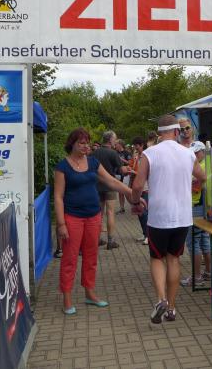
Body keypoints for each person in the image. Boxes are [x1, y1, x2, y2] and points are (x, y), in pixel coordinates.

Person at [54, 128, 141, 315]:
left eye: (87, 142)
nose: (85, 146)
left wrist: (132, 194)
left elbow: (112, 181)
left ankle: (90, 293)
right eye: (81, 143)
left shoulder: (93, 162)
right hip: (72, 217)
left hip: (94, 215)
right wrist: (61, 224)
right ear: (72, 144)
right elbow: (58, 197)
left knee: (91, 256)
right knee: (69, 258)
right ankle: (67, 298)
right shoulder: (63, 167)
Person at [130, 115, 206, 324]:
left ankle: (161, 299)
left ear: (159, 133)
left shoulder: (150, 153)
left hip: (159, 218)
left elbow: (137, 185)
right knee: (173, 259)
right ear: (176, 132)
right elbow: (202, 176)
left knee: (157, 258)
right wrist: (189, 182)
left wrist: (135, 202)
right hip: (182, 218)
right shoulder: (188, 153)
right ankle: (171, 309)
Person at [92, 131, 130, 249]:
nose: (116, 141)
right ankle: (110, 241)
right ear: (110, 140)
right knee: (110, 212)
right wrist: (127, 169)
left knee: (98, 214)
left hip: (96, 186)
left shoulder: (94, 153)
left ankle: (96, 239)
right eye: (115, 139)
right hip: (110, 186)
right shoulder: (113, 153)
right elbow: (121, 170)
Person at [181, 141, 211, 287]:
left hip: (195, 207)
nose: (193, 155)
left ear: (203, 152)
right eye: (192, 152)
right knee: (204, 240)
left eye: (196, 152)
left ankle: (197, 277)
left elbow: (194, 188)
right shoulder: (206, 164)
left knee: (193, 242)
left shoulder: (200, 167)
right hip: (203, 207)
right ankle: (208, 273)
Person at [129, 136, 149, 244]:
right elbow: (133, 167)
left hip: (145, 188)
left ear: (142, 145)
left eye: (137, 145)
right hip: (136, 188)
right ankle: (144, 233)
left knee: (144, 212)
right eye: (135, 145)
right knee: (139, 212)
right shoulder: (136, 156)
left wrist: (135, 172)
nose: (135, 148)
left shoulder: (146, 156)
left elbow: (147, 174)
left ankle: (148, 236)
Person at [116, 139, 132, 213]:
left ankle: (134, 205)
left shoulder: (127, 153)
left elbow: (130, 163)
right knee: (120, 192)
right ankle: (122, 208)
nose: (115, 145)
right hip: (118, 174)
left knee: (127, 192)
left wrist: (121, 159)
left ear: (120, 144)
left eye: (116, 144)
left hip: (126, 175)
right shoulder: (115, 152)